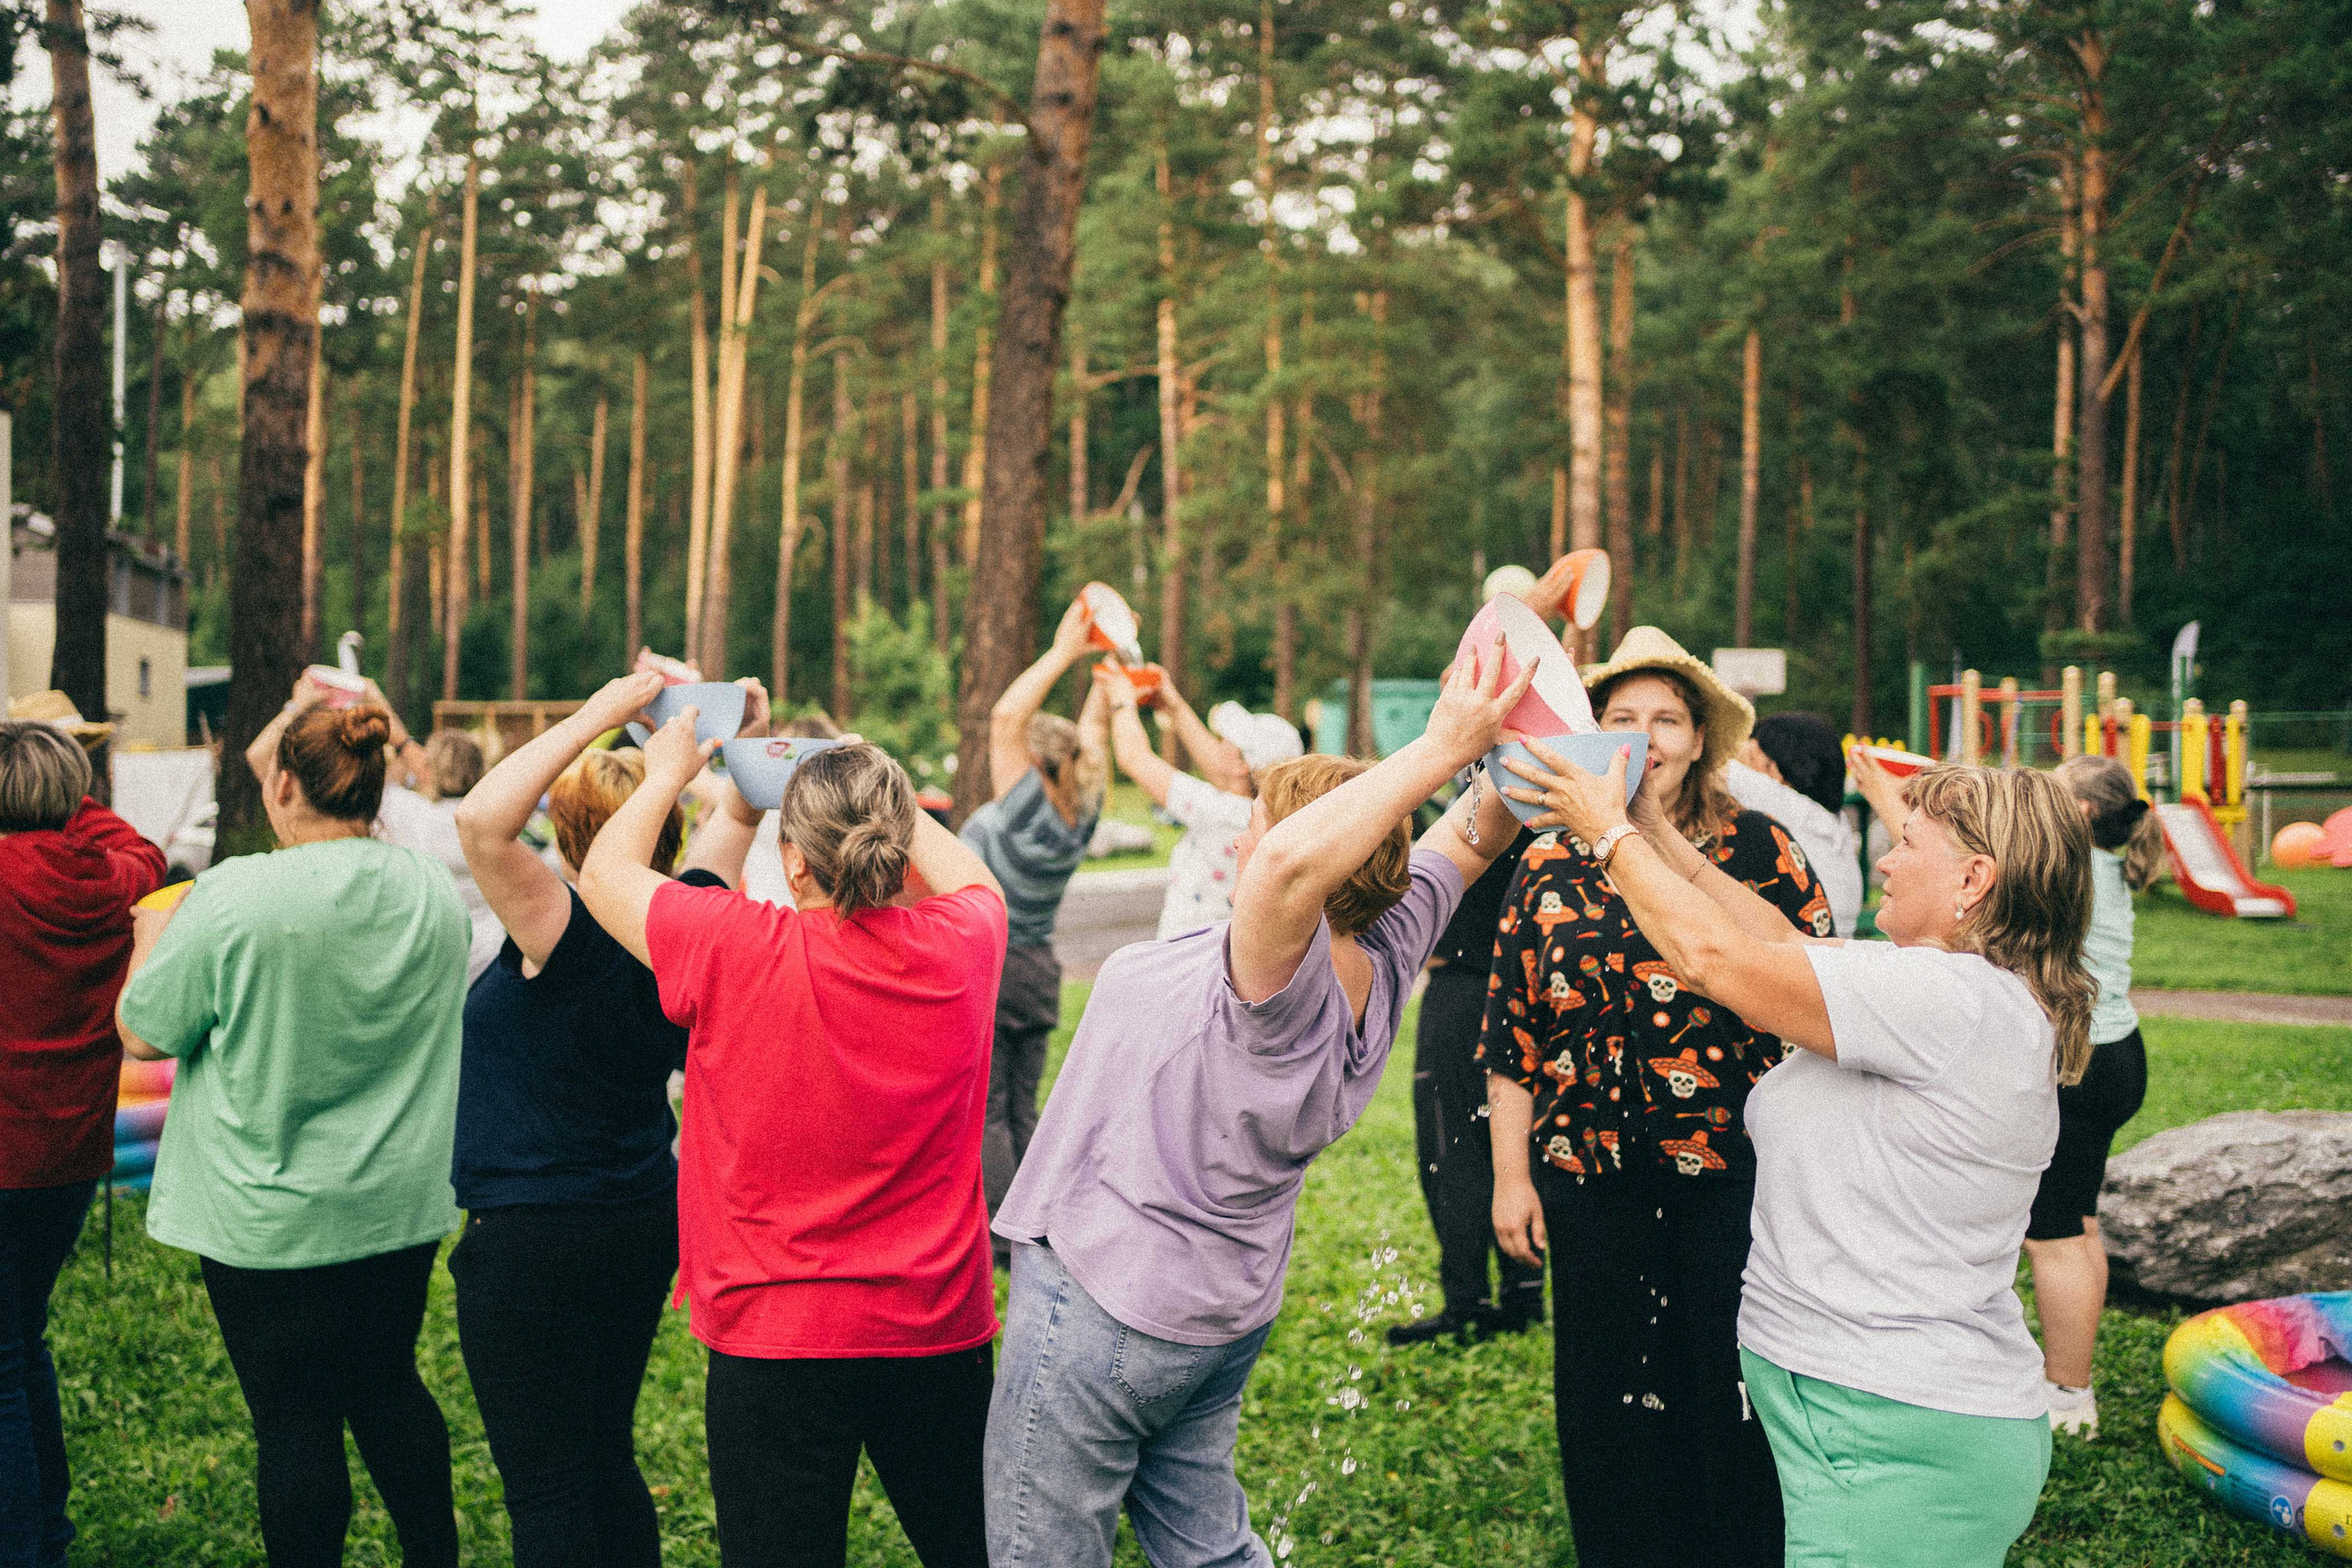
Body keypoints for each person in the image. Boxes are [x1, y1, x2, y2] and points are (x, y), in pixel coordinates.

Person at [983, 639, 1538, 1568]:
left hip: (1109, 1307)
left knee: (1039, 1552)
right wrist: (1525, 703)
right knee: (1207, 1550)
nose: (1244, 835)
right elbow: (1480, 829)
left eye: (1262, 823)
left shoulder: (1279, 978)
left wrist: (1440, 749)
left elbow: (1283, 867)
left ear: (1313, 855)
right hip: (1213, 1315)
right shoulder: (1389, 937)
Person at [1500, 737, 2094, 1568]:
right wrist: (1652, 827)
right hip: (1877, 1419)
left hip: (1893, 1433)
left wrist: (1607, 836)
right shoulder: (1943, 988)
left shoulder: (1946, 1000)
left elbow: (1715, 961)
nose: (1885, 861)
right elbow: (1775, 936)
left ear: (1974, 880)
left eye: (1910, 843)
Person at [578, 712, 1008, 1568]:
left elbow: (603, 873)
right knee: (975, 1549)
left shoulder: (730, 944)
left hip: (775, 1336)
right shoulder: (967, 943)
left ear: (794, 861)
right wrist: (869, 771)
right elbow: (973, 876)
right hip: (931, 1327)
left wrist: (668, 769)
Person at [1482, 626, 1825, 1568]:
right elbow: (1513, 1035)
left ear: (1700, 738)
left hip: (1735, 1179)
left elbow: (1824, 990)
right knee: (1601, 1391)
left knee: (1724, 1382)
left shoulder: (1762, 849)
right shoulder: (1547, 860)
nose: (1646, 736)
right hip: (1586, 1177)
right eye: (1622, 716)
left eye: (1667, 719)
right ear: (1593, 735)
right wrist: (1511, 1179)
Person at [116, 682, 469, 1568]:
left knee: (295, 1417)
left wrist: (147, 943)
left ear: (281, 786)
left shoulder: (233, 896)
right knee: (388, 1387)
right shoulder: (430, 887)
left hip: (262, 1219)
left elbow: (145, 1029)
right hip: (394, 1205)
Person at [448, 671, 762, 1568]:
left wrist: (600, 713)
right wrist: (739, 738)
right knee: (605, 1456)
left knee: (546, 1484)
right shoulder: (687, 917)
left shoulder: (561, 922)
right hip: (635, 1222)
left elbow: (479, 821)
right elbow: (739, 816)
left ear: (568, 827)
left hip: (537, 1241)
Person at [1388, 553, 1600, 1349]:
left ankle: (1476, 1298)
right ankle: (1510, 1293)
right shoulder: (1542, 763)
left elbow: (1464, 677)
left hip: (1475, 982)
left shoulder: (1527, 760)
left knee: (1457, 1141)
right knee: (1491, 1140)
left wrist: (1527, 611)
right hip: (1510, 985)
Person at [0, 721, 164, 1568]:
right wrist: (66, 792)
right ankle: (46, 1530)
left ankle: (26, 1546)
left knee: (4, 1364)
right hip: (68, 1158)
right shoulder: (110, 878)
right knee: (23, 1344)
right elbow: (142, 847)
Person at [959, 597, 1110, 1233]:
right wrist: (1105, 683)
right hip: (1041, 968)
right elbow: (1091, 740)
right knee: (1023, 1106)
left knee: (991, 1110)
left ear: (1037, 765)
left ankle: (1001, 1231)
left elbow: (1002, 718)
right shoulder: (1081, 815)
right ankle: (1034, 1219)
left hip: (999, 967)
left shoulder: (1024, 814)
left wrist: (1065, 651)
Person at [2024, 754, 2160, 1439]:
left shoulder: (2070, 870)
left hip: (2084, 1063)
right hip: (2118, 1053)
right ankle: (2070, 1377)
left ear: (2076, 813)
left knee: (2052, 1235)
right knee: (2078, 1221)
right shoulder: (2103, 865)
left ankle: (2069, 1394)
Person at [1099, 670, 1299, 940]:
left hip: (1182, 953)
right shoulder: (1264, 813)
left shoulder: (1221, 813)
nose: (1220, 743)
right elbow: (1221, 772)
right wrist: (1174, 707)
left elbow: (1134, 758)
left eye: (1226, 741)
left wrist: (1121, 700)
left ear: (1242, 765)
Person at [375, 706, 506, 985]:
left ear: (430, 770)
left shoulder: (407, 813)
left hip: (430, 953)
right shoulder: (493, 820)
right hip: (490, 954)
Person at [1730, 711, 1862, 937]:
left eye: (1752, 758)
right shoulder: (1832, 823)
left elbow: (1717, 768)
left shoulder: (1792, 807)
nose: (1745, 764)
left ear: (1774, 771)